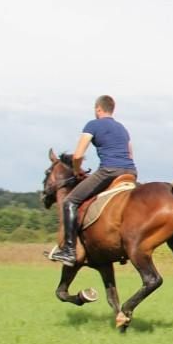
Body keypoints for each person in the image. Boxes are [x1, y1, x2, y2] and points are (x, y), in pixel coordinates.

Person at [50, 95, 137, 266]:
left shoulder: (93, 125)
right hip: (130, 172)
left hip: (108, 171)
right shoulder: (122, 128)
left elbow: (78, 155)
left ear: (98, 109)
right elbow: (130, 154)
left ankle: (69, 250)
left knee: (69, 202)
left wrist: (77, 171)